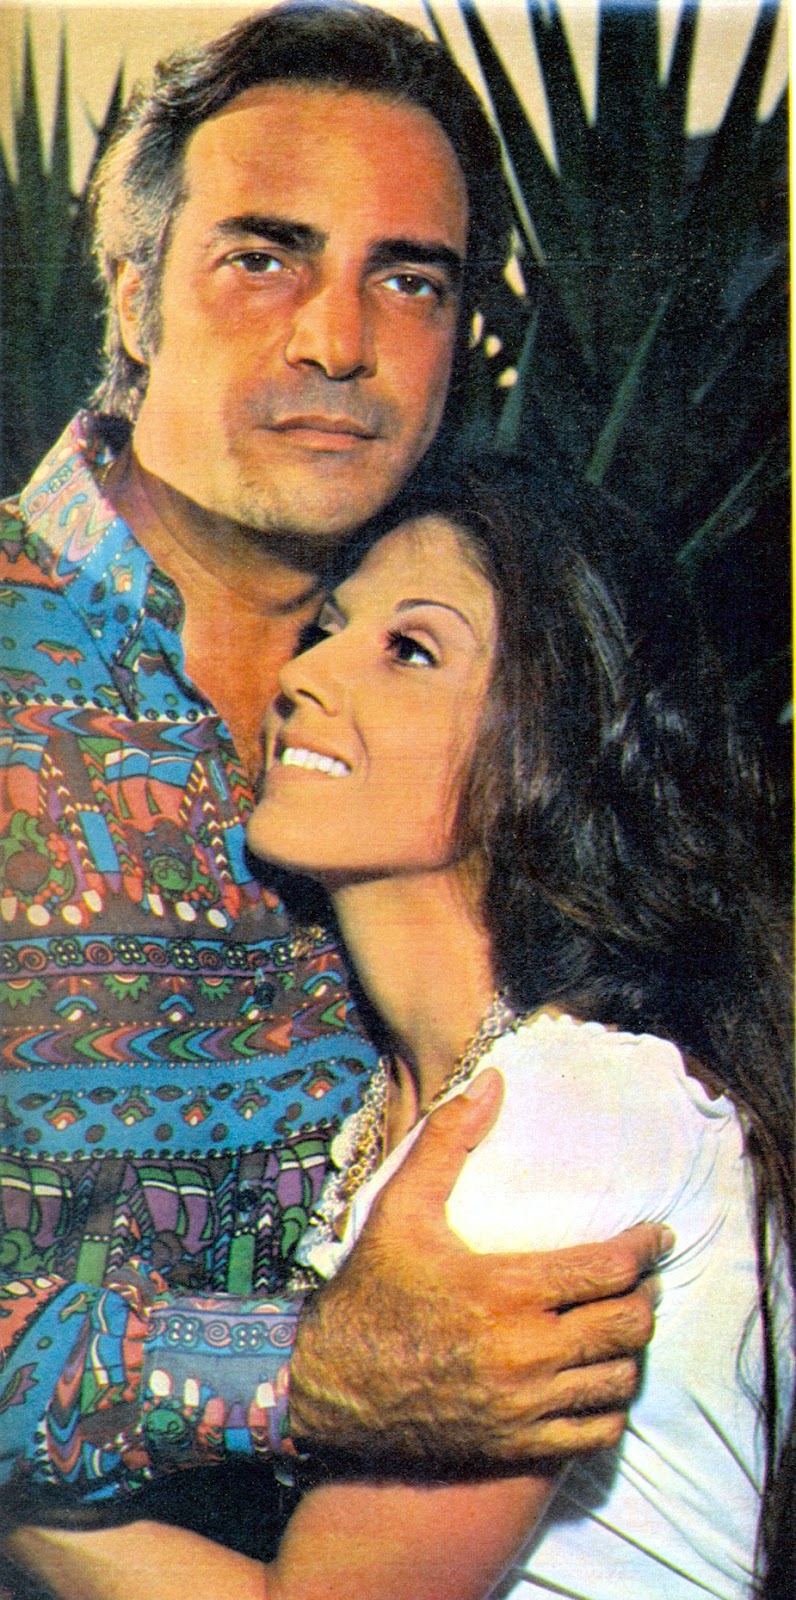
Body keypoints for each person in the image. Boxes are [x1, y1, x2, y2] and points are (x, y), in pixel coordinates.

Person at [0, 3, 666, 1593]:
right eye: (264, 257)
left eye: (408, 279)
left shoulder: (494, 699)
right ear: (134, 293)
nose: (336, 341)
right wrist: (293, 1369)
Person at [16, 457, 793, 1599]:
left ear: (547, 746)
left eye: (410, 650)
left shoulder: (567, 1107)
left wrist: (18, 1500)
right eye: (330, 629)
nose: (306, 673)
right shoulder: (384, 1103)